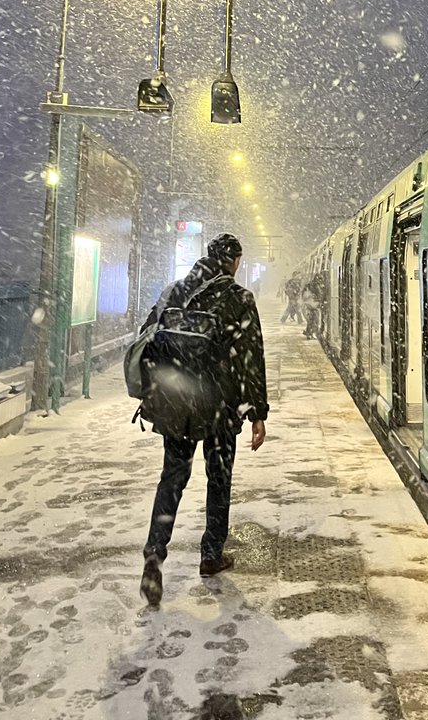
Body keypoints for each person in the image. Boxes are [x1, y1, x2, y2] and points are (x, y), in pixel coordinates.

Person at [140, 232, 269, 607]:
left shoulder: (175, 291)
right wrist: (257, 413)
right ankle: (211, 554)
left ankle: (154, 555)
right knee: (219, 478)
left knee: (172, 479)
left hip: (176, 404)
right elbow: (252, 358)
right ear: (234, 261)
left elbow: (148, 336)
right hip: (220, 406)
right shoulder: (239, 299)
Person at [302, 273, 323, 341]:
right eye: (320, 279)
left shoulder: (309, 284)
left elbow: (303, 294)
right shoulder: (316, 285)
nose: (320, 281)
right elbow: (319, 295)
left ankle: (309, 333)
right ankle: (310, 333)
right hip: (314, 305)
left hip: (309, 305)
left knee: (311, 320)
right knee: (315, 320)